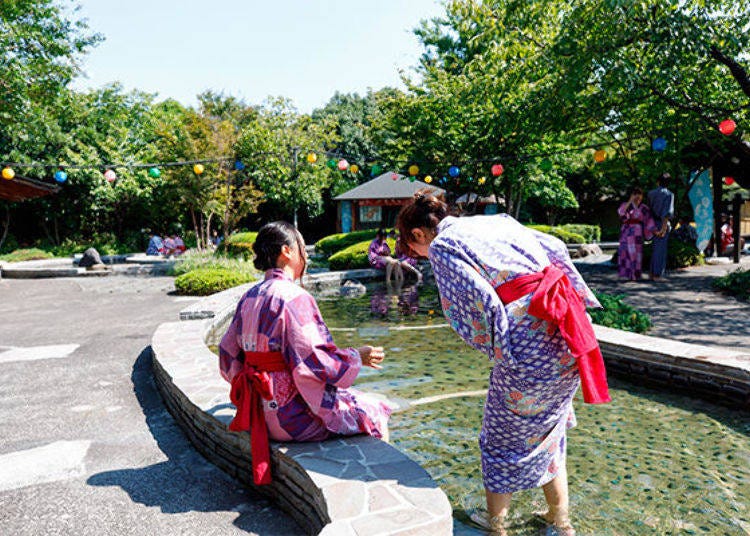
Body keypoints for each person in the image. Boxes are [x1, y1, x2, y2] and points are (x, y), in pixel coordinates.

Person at [396, 190, 610, 536]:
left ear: (418, 234)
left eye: (413, 248)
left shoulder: (442, 245)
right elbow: (553, 248)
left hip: (529, 341)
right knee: (548, 433)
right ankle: (561, 521)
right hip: (567, 328)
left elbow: (475, 303)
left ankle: (497, 526)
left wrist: (499, 348)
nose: (418, 255)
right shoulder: (494, 221)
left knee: (498, 439)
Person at [218, 221, 392, 485]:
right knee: (375, 409)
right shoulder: (294, 297)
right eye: (302, 248)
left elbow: (227, 353)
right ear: (287, 252)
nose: (307, 254)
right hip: (291, 418)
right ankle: (383, 484)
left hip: (259, 413)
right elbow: (315, 362)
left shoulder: (249, 297)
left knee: (356, 400)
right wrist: (358, 356)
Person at [617, 187, 656, 281]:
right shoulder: (626, 205)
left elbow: (649, 221)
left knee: (636, 254)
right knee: (626, 253)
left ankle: (635, 274)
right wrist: (630, 201)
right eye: (635, 195)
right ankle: (628, 274)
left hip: (637, 233)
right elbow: (621, 213)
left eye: (640, 195)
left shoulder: (644, 208)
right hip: (626, 232)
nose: (638, 197)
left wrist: (654, 231)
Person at [647, 173, 675, 280]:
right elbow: (666, 213)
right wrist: (663, 229)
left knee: (655, 249)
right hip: (662, 224)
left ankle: (651, 273)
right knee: (661, 250)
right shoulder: (669, 195)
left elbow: (649, 210)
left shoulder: (651, 193)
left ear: (658, 181)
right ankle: (657, 274)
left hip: (652, 223)